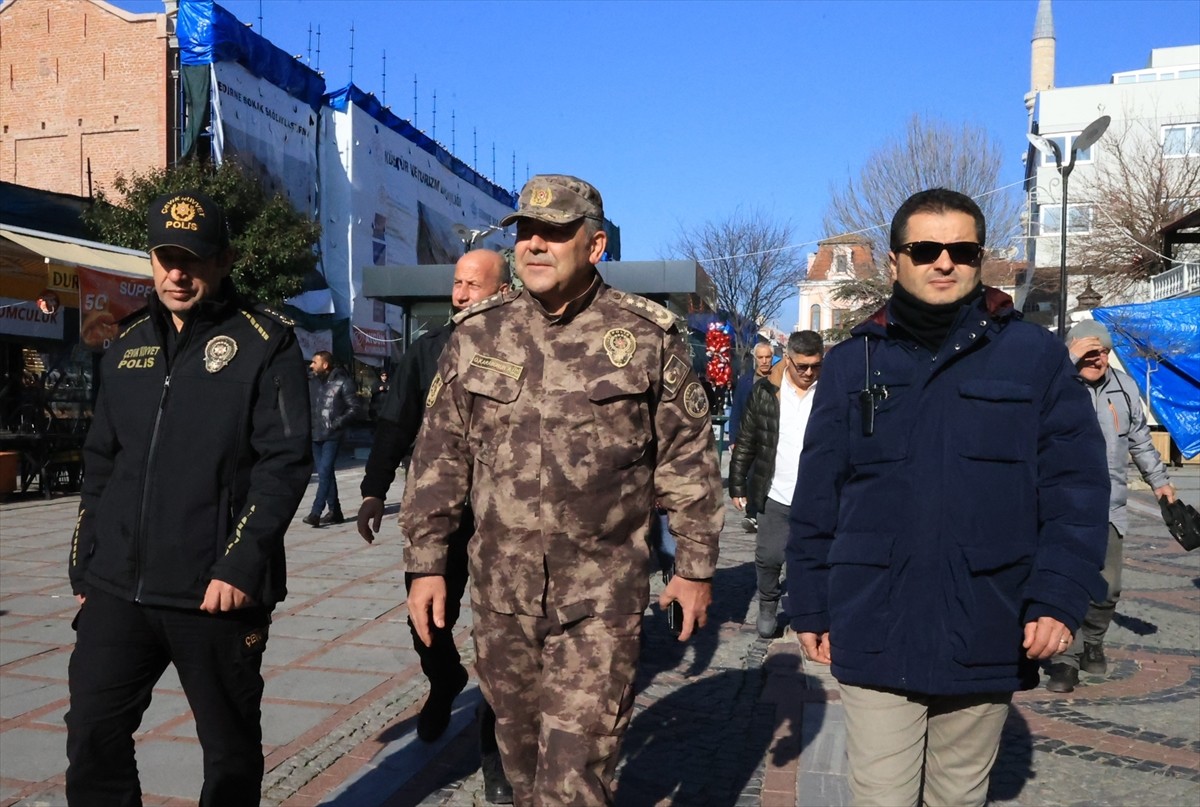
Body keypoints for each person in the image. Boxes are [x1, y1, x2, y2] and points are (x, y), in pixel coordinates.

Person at [399, 174, 724, 805]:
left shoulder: (647, 337)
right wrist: (425, 563)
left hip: (600, 599)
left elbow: (687, 458)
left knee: (572, 781)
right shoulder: (477, 334)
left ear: (595, 246)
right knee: (521, 769)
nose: (536, 245)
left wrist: (695, 567)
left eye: (555, 233)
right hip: (502, 596)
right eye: (527, 232)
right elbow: (440, 457)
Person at [786, 188, 1109, 806]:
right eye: (925, 248)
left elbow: (1077, 489)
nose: (943, 262)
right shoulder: (854, 362)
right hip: (874, 615)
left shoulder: (1033, 357)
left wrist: (1059, 597)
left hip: (989, 616)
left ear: (979, 257)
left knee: (959, 799)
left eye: (960, 250)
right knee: (882, 797)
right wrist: (809, 603)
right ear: (894, 261)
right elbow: (819, 495)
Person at [65, 190, 312, 806]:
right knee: (92, 734)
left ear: (224, 260)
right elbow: (100, 462)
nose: (177, 273)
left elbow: (284, 464)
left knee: (228, 753)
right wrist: (85, 557)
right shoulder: (125, 346)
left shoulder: (265, 343)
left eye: (193, 259)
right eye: (165, 258)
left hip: (215, 593)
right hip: (119, 588)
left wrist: (240, 564)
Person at [357, 248, 513, 804]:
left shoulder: (523, 347)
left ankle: (496, 754)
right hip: (438, 512)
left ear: (502, 290)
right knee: (426, 620)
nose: (462, 293)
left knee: (501, 640)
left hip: (503, 517)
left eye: (474, 284)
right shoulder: (428, 349)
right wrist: (374, 489)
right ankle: (445, 679)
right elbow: (395, 421)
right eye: (457, 283)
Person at [1046, 319, 1176, 693]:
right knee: (1061, 581)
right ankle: (1064, 659)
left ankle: (1093, 642)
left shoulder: (1124, 387)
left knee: (1109, 587)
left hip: (1109, 505)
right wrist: (1064, 364)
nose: (1097, 358)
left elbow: (1139, 440)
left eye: (1102, 351)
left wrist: (1160, 482)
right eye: (1088, 350)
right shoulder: (1053, 384)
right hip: (1060, 504)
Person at [730, 330, 823, 638]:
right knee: (770, 555)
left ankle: (804, 610)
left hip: (815, 495)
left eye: (815, 366)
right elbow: (746, 440)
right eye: (802, 366)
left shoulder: (830, 392)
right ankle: (768, 604)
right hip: (775, 492)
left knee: (807, 558)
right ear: (789, 359)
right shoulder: (766, 392)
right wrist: (737, 484)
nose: (809, 373)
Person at [304, 350, 360, 526]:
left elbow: (355, 408)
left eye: (314, 362)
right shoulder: (311, 382)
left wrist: (337, 423)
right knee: (325, 473)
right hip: (314, 434)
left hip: (332, 435)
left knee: (325, 472)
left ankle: (316, 512)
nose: (311, 365)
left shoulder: (343, 382)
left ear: (325, 365)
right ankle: (335, 512)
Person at [727, 340, 775, 533]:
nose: (764, 361)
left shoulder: (778, 380)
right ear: (755, 359)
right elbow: (736, 410)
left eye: (768, 357)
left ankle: (765, 512)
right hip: (749, 438)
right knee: (751, 474)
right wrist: (733, 439)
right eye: (760, 357)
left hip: (770, 436)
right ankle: (752, 513)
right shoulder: (746, 381)